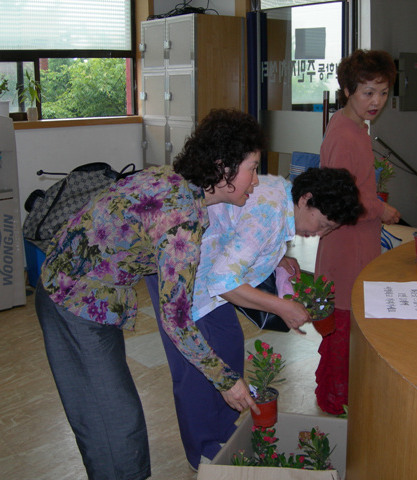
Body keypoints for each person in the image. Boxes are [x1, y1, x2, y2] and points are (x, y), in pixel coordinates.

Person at [35, 108, 267, 480]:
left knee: (117, 419)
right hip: (72, 302)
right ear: (223, 168)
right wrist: (227, 380)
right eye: (252, 168)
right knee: (116, 429)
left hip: (85, 297)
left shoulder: (172, 179)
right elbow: (176, 321)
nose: (255, 181)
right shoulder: (182, 219)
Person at [145, 167, 363, 470]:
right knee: (197, 369)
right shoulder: (269, 214)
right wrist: (281, 306)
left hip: (211, 266)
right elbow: (225, 281)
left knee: (229, 347)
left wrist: (276, 256)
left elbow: (243, 237)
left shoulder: (283, 193)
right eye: (322, 223)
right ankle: (204, 453)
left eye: (329, 229)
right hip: (181, 270)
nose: (320, 234)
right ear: (306, 199)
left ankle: (223, 432)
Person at [315, 49, 401, 415]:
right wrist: (383, 209)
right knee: (343, 328)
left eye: (382, 93)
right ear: (348, 89)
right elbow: (339, 200)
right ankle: (333, 404)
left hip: (358, 243)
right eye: (367, 92)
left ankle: (340, 397)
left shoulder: (350, 126)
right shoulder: (346, 135)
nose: (376, 101)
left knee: (349, 326)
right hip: (346, 247)